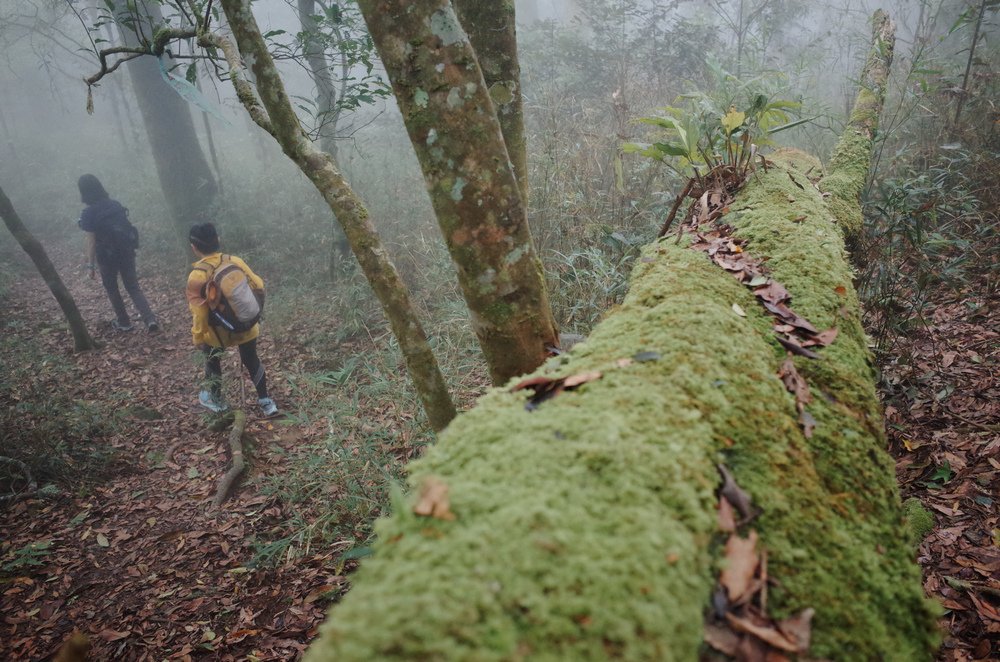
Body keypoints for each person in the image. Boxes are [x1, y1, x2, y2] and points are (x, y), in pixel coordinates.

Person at [186, 222, 278, 417]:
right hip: (246, 324)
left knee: (212, 362)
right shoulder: (234, 261)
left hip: (218, 332)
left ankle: (217, 401)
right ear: (218, 240)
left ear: (194, 248)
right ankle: (267, 403)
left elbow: (200, 313)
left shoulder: (197, 275)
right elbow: (259, 284)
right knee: (251, 360)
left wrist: (198, 337)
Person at [77, 174, 159, 332]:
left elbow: (91, 241)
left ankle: (124, 322)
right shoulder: (115, 205)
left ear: (83, 192)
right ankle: (150, 319)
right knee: (133, 286)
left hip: (106, 256)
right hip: (126, 250)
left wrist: (90, 266)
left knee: (111, 287)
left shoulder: (88, 213)